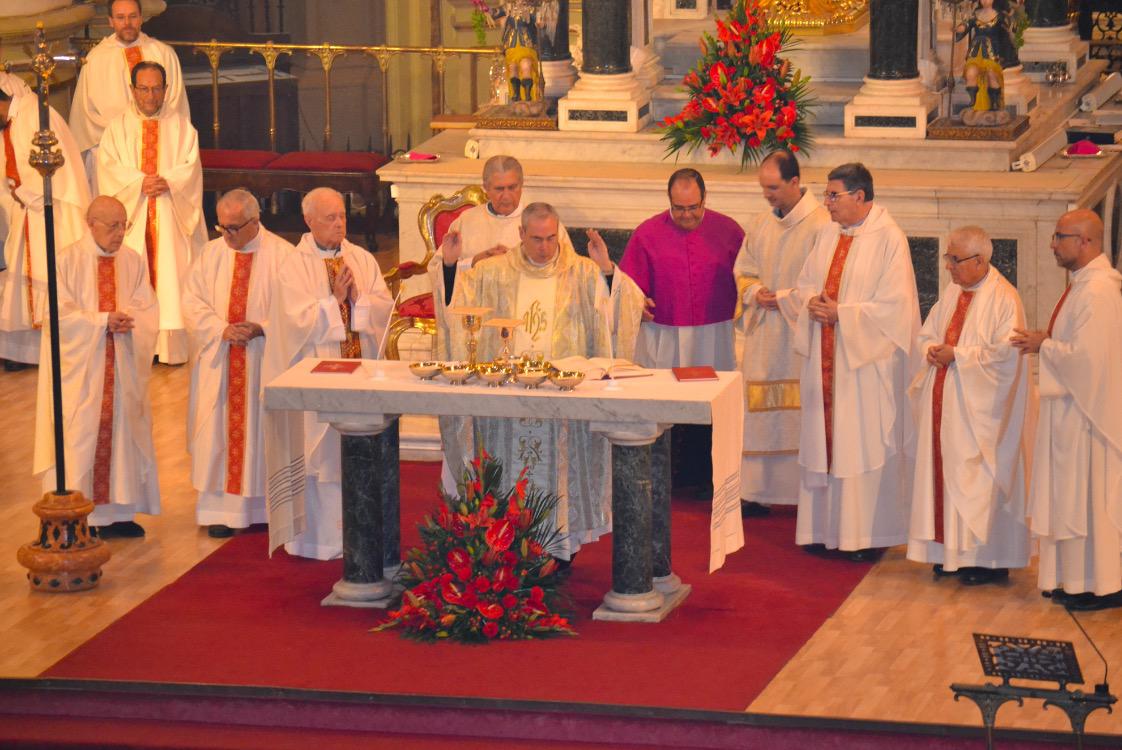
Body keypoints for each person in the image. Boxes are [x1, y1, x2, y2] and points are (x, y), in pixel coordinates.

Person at [442, 202, 644, 561]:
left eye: (552, 238)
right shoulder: (492, 271)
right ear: (521, 234)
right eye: (536, 239)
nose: (545, 247)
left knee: (558, 474)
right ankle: (505, 547)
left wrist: (607, 270)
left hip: (560, 403)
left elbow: (625, 303)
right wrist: (448, 266)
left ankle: (559, 550)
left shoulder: (580, 271)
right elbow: (457, 306)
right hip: (508, 401)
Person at [794, 163, 921, 561]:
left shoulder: (889, 239)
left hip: (865, 367)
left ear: (861, 197)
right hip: (826, 360)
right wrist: (809, 302)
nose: (826, 203)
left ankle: (863, 536)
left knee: (858, 444)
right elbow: (804, 284)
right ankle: (821, 529)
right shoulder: (827, 234)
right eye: (827, 194)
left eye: (834, 195)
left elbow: (896, 308)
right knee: (824, 439)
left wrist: (842, 315)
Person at [264, 187, 394, 560]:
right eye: (330, 218)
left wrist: (359, 302)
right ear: (308, 221)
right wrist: (333, 302)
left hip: (358, 374)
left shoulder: (362, 259)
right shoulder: (293, 265)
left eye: (342, 217)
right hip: (316, 377)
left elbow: (383, 307)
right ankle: (318, 541)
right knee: (318, 457)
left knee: (355, 452)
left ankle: (359, 534)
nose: (339, 225)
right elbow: (291, 322)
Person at [907, 226, 1033, 585]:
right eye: (948, 258)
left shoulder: (1004, 299)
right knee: (946, 477)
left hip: (980, 415)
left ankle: (986, 560)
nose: (948, 266)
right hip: (946, 405)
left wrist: (957, 356)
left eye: (955, 259)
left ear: (979, 261)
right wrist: (930, 349)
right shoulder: (953, 292)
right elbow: (929, 332)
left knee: (975, 480)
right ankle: (949, 556)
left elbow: (1006, 357)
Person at [1013, 209, 1122, 611]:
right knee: (1069, 500)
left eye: (1060, 237)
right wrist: (1048, 342)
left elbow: (1090, 362)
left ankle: (1102, 584)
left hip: (1089, 419)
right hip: (1071, 412)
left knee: (1088, 501)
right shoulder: (1082, 285)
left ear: (1087, 242)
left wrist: (1046, 346)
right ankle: (1073, 579)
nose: (1052, 244)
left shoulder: (1099, 292)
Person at [32, 196, 159, 538]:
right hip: (82, 372)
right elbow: (57, 316)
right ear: (91, 225)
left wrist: (129, 321)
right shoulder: (67, 260)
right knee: (81, 436)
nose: (120, 233)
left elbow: (147, 306)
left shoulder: (132, 261)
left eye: (124, 225)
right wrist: (102, 321)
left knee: (122, 433)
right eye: (112, 226)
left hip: (121, 366)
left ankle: (118, 512)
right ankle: (76, 513)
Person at [619, 168, 744, 495]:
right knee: (668, 402)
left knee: (711, 403)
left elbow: (748, 277)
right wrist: (639, 304)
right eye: (679, 208)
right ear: (669, 202)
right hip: (666, 334)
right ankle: (668, 477)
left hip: (714, 333)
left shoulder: (730, 231)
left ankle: (708, 476)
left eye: (693, 208)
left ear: (705, 200)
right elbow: (628, 288)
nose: (686, 215)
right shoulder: (647, 234)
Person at [182, 189, 294, 539]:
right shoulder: (210, 254)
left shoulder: (284, 256)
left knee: (260, 431)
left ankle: (263, 507)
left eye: (234, 228)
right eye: (222, 227)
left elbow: (297, 311)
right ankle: (221, 511)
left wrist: (262, 328)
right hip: (221, 359)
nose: (227, 235)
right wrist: (221, 329)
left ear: (255, 221)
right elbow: (192, 301)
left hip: (263, 359)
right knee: (217, 431)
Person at [736, 150, 830, 517]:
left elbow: (824, 283)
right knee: (758, 410)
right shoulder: (761, 223)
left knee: (798, 410)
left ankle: (798, 492)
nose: (767, 195)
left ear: (795, 182)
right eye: (763, 187)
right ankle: (756, 489)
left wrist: (787, 298)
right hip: (764, 331)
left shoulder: (822, 225)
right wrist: (754, 292)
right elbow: (743, 268)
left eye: (773, 187)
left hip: (798, 333)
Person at [97, 60, 205, 365]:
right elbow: (108, 169)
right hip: (134, 216)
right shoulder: (117, 128)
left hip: (171, 212)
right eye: (143, 88)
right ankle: (138, 346)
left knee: (172, 277)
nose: (150, 96)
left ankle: (171, 347)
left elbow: (191, 167)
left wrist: (168, 181)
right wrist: (138, 182)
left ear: (166, 90)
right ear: (132, 90)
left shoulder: (182, 126)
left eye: (157, 88)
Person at [0, 87, 90, 368]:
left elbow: (51, 172)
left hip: (52, 211)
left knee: (46, 274)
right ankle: (26, 351)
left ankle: (52, 347)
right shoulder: (17, 118)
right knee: (25, 275)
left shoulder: (34, 115)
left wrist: (21, 191)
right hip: (30, 210)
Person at [69, 0, 188, 188]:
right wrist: (120, 135)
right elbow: (86, 114)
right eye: (120, 17)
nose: (127, 23)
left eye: (133, 16)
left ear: (141, 18)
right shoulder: (96, 59)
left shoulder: (163, 53)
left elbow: (176, 103)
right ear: (110, 21)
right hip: (112, 149)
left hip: (160, 142)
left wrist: (148, 130)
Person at [954, 0, 1021, 112]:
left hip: (993, 53)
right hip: (975, 52)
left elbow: (1011, 29)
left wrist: (1012, 22)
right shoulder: (975, 14)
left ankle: (994, 103)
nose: (985, 1)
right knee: (971, 72)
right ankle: (973, 101)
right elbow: (966, 25)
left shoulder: (1000, 15)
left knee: (992, 75)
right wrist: (959, 28)